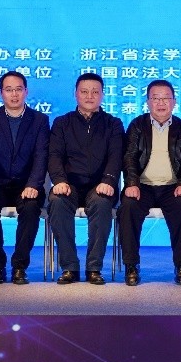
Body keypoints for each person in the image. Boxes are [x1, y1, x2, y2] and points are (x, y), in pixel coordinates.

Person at [47, 73, 125, 285]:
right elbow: (54, 155)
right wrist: (59, 180)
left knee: (102, 203)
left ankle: (94, 268)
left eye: (95, 92)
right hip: (69, 185)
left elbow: (116, 156)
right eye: (84, 91)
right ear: (75, 94)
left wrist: (108, 180)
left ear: (102, 95)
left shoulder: (113, 124)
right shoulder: (62, 123)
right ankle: (69, 267)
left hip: (100, 185)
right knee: (57, 201)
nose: (89, 96)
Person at [118, 80, 181, 285]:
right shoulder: (137, 125)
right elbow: (129, 157)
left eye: (165, 98)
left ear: (174, 102)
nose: (161, 103)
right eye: (155, 98)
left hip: (173, 186)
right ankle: (131, 265)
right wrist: (132, 183)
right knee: (128, 207)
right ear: (147, 102)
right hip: (142, 186)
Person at [0, 71, 50, 286]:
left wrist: (33, 184)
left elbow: (41, 156)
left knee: (31, 207)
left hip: (27, 185)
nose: (14, 94)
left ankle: (19, 266)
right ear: (1, 93)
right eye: (9, 90)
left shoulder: (39, 120)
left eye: (18, 89)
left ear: (26, 91)